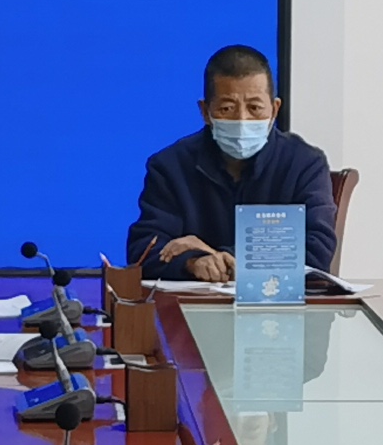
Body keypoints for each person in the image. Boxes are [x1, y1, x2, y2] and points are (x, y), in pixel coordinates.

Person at [130, 45, 338, 280]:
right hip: (194, 301)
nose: (242, 120)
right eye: (227, 108)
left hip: (278, 301)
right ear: (205, 111)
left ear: (274, 109)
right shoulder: (170, 166)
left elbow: (317, 249)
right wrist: (192, 262)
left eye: (255, 108)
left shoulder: (304, 164)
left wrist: (218, 255)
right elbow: (144, 250)